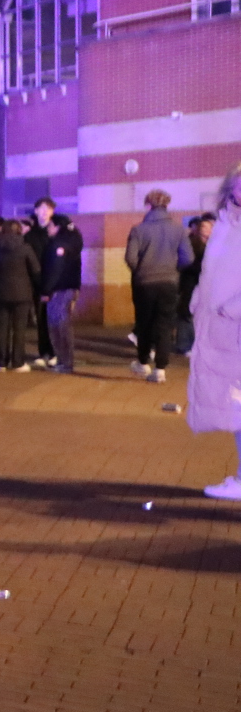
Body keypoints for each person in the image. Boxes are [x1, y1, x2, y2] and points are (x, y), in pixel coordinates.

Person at [190, 166, 241, 500]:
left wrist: (232, 308)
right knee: (236, 407)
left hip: (233, 325)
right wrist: (200, 301)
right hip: (222, 330)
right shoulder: (226, 223)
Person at [125, 188, 191, 383]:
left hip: (144, 283)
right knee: (164, 324)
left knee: (144, 322)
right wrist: (173, 269)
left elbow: (130, 257)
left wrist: (140, 270)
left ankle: (143, 363)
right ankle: (160, 369)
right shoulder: (178, 230)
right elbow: (188, 258)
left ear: (148, 205)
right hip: (169, 283)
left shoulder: (139, 230)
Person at [0, 219, 41, 371]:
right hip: (22, 294)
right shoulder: (25, 248)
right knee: (19, 329)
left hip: (0, 293)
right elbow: (36, 270)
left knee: (1, 328)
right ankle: (18, 362)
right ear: (19, 231)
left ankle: (0, 362)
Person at [40, 213, 85, 374]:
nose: (47, 229)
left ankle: (65, 362)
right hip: (69, 287)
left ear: (57, 226)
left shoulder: (58, 244)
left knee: (58, 326)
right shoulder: (72, 241)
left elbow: (55, 269)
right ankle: (64, 361)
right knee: (61, 325)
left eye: (50, 226)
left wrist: (46, 290)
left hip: (59, 289)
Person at [24, 196, 58, 367]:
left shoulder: (56, 233)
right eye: (41, 208)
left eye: (48, 209)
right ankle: (43, 352)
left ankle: (55, 352)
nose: (44, 212)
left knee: (54, 318)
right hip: (37, 282)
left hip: (54, 282)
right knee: (41, 318)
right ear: (36, 211)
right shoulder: (30, 235)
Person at [180, 214, 214, 354]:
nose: (204, 229)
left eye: (208, 227)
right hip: (191, 283)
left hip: (206, 285)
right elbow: (188, 264)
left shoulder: (214, 244)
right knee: (186, 312)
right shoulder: (191, 243)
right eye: (203, 226)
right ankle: (184, 344)